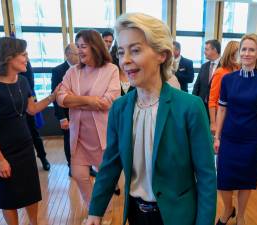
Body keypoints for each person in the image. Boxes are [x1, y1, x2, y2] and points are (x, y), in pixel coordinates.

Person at [86, 13, 216, 225]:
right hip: (136, 215)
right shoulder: (120, 108)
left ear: (162, 55)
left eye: (135, 50)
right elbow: (110, 164)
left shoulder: (190, 107)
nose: (125, 60)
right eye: (120, 52)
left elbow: (207, 176)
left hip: (178, 216)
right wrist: (95, 211)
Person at [0, 37, 59, 225]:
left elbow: (32, 109)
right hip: (3, 151)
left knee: (31, 192)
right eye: (23, 55)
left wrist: (53, 96)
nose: (27, 59)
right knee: (8, 195)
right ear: (7, 58)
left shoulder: (22, 81)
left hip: (25, 146)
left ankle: (33, 223)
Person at [56, 29, 121, 212]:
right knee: (78, 174)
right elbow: (61, 97)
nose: (79, 51)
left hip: (102, 137)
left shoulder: (111, 70)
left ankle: (100, 212)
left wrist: (75, 101)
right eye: (77, 47)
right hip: (79, 136)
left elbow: (109, 101)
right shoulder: (72, 71)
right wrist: (88, 100)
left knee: (106, 178)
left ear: (95, 47)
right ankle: (94, 209)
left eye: (83, 46)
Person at [214, 34, 257, 225]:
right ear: (239, 52)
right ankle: (227, 209)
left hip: (251, 140)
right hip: (229, 138)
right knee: (224, 180)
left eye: (251, 50)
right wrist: (217, 137)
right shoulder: (228, 79)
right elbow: (222, 109)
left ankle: (240, 216)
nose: (247, 53)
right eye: (244, 49)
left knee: (245, 181)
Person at [51, 43, 78, 176]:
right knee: (69, 140)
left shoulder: (84, 68)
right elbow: (56, 96)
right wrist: (62, 117)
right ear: (67, 54)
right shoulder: (58, 71)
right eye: (76, 54)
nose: (79, 57)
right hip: (66, 113)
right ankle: (71, 166)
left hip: (81, 112)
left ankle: (87, 165)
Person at [19, 61, 51, 170]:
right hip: (15, 108)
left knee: (34, 133)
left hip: (28, 101)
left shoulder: (25, 64)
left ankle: (43, 158)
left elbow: (30, 84)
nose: (25, 57)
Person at [208, 41, 239, 134]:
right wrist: (213, 123)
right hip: (222, 116)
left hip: (237, 117)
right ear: (231, 54)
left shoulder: (240, 71)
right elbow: (212, 100)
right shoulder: (220, 72)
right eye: (239, 53)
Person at [193, 39, 221, 118]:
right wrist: (194, 103)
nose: (204, 52)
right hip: (202, 106)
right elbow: (196, 86)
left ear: (214, 50)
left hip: (217, 108)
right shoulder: (204, 66)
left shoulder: (224, 67)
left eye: (206, 49)